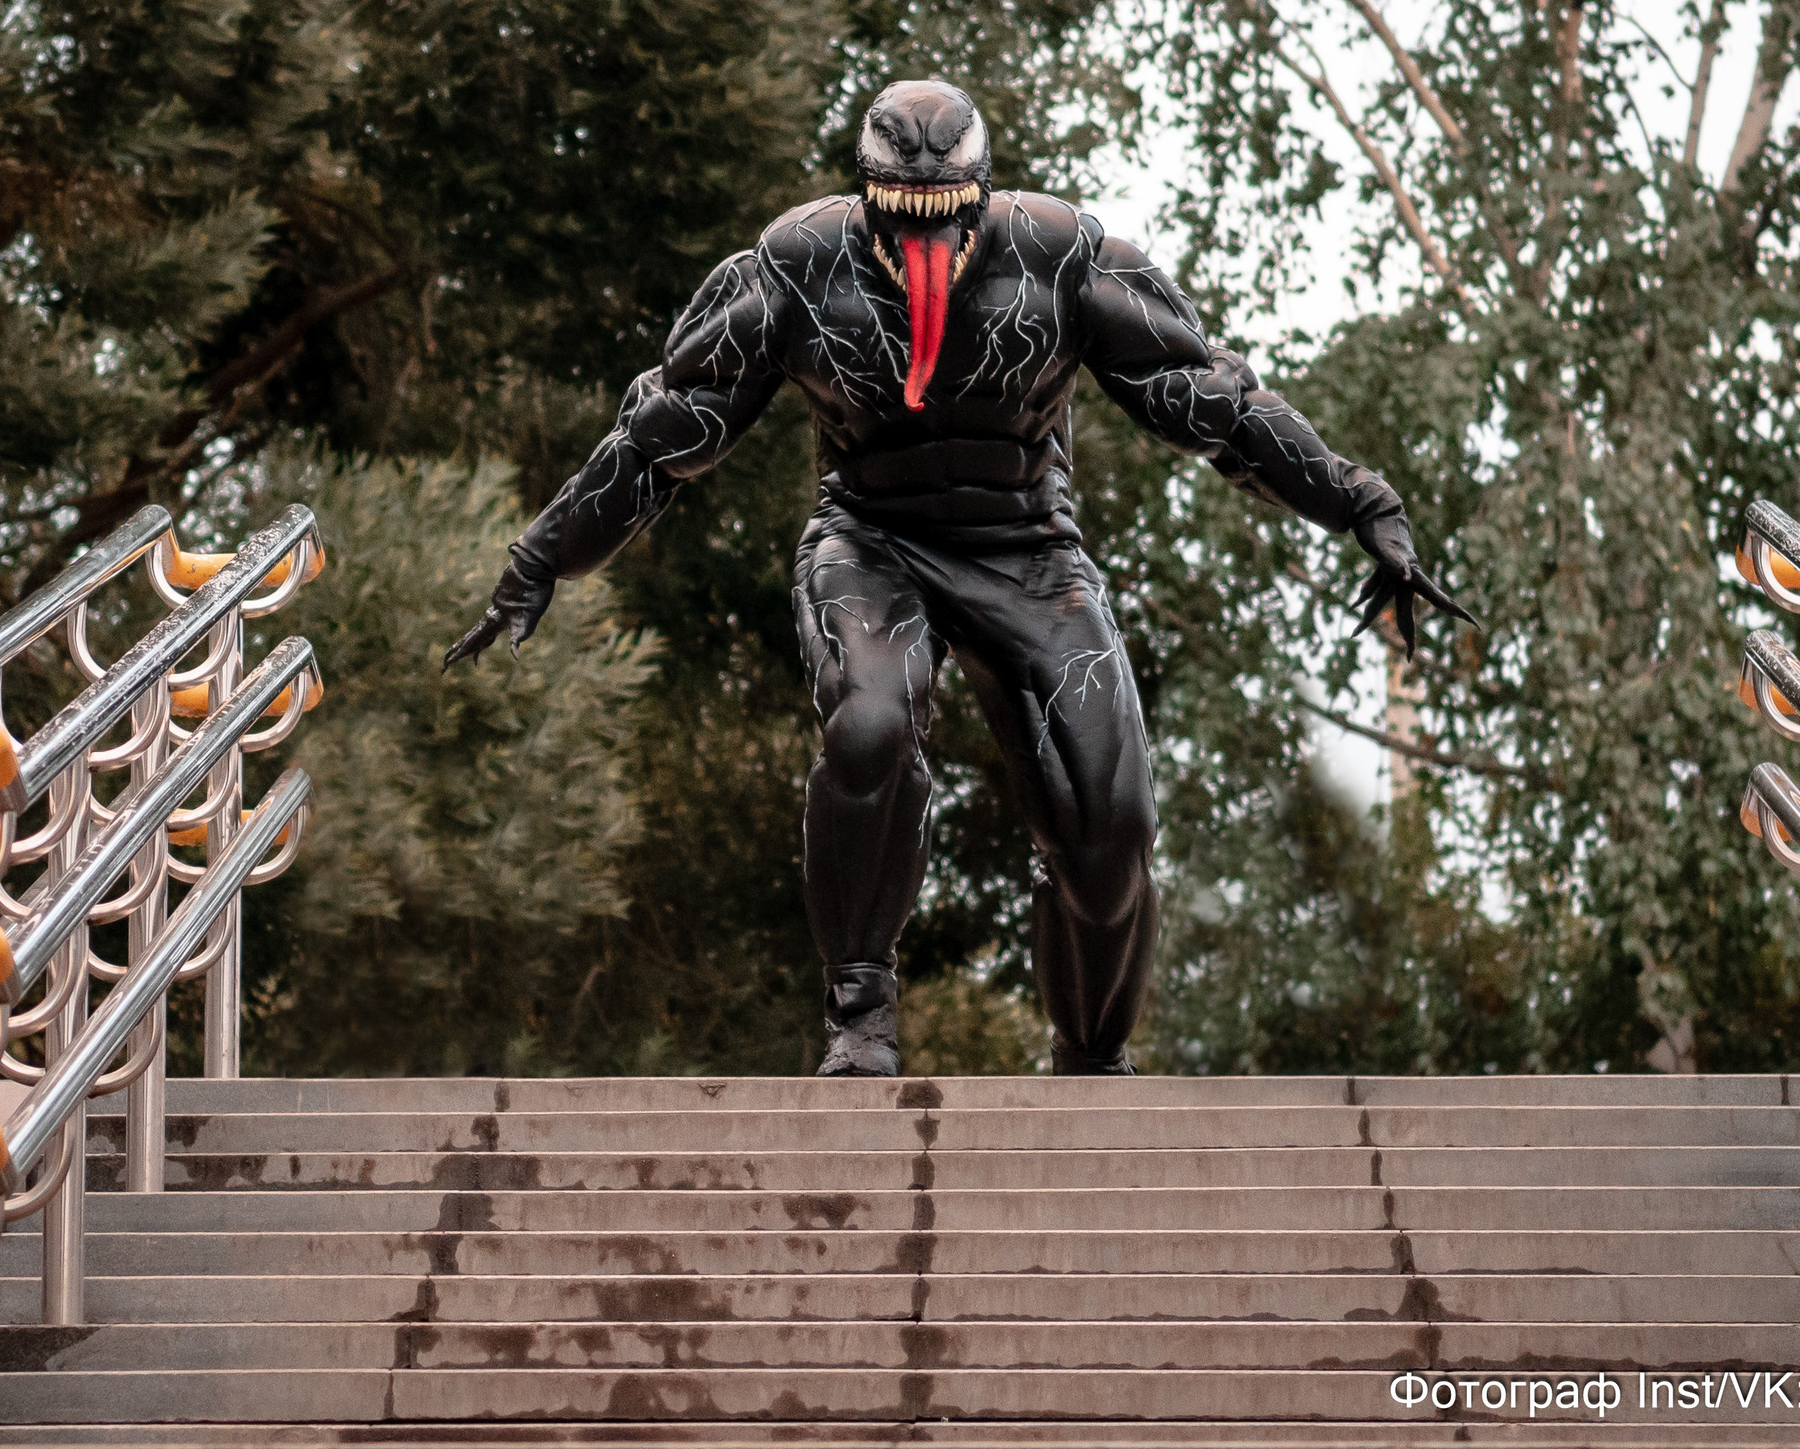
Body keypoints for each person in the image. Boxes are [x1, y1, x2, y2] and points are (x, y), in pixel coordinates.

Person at [448, 79, 1470, 1075]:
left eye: (947, 216)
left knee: (1111, 823)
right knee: (870, 723)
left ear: (982, 193)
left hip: (1029, 550)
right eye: (901, 217)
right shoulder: (797, 265)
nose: (925, 243)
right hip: (871, 539)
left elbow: (1215, 404)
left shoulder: (1065, 256)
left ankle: (1092, 1054)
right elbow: (664, 430)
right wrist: (541, 558)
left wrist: (1361, 504)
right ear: (867, 196)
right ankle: (859, 1014)